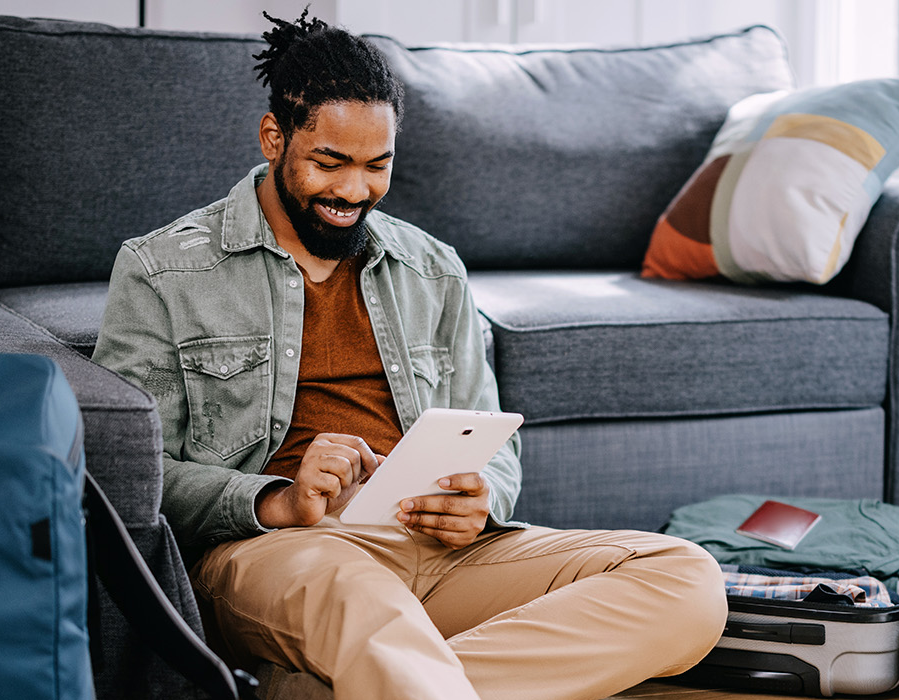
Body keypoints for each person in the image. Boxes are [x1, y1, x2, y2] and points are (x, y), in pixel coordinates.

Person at [92, 11, 726, 700]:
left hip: (442, 552)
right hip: (282, 553)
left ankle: (342, 686)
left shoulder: (432, 269)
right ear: (274, 137)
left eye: (377, 166)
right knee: (359, 600)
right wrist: (278, 499)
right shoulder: (162, 271)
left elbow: (491, 439)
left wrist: (480, 502)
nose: (355, 191)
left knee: (685, 580)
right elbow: (132, 475)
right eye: (329, 163)